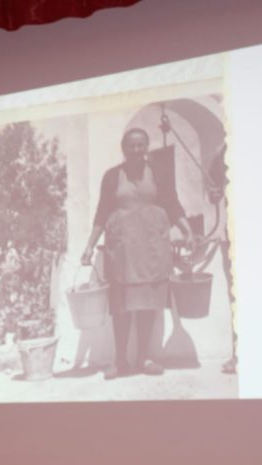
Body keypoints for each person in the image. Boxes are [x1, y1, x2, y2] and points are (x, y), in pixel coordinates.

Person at [81, 128, 193, 379]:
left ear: (146, 147)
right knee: (121, 306)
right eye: (132, 145)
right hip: (121, 251)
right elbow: (101, 214)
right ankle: (120, 361)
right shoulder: (111, 177)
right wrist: (89, 245)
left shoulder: (159, 174)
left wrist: (187, 231)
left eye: (141, 145)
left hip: (152, 249)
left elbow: (173, 205)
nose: (136, 150)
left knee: (147, 304)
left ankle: (144, 359)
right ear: (124, 148)